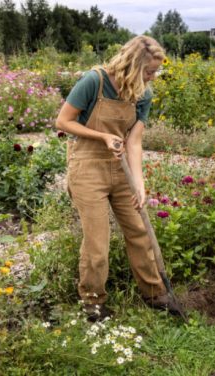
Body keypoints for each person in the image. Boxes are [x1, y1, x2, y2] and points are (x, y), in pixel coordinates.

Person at [56, 35, 178, 322]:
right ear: (133, 65)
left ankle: (155, 293)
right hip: (87, 167)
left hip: (121, 167)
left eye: (155, 72)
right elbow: (63, 121)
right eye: (149, 71)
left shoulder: (143, 94)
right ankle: (93, 302)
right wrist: (103, 136)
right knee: (97, 243)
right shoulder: (94, 81)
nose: (153, 77)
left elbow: (134, 141)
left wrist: (139, 183)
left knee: (139, 231)